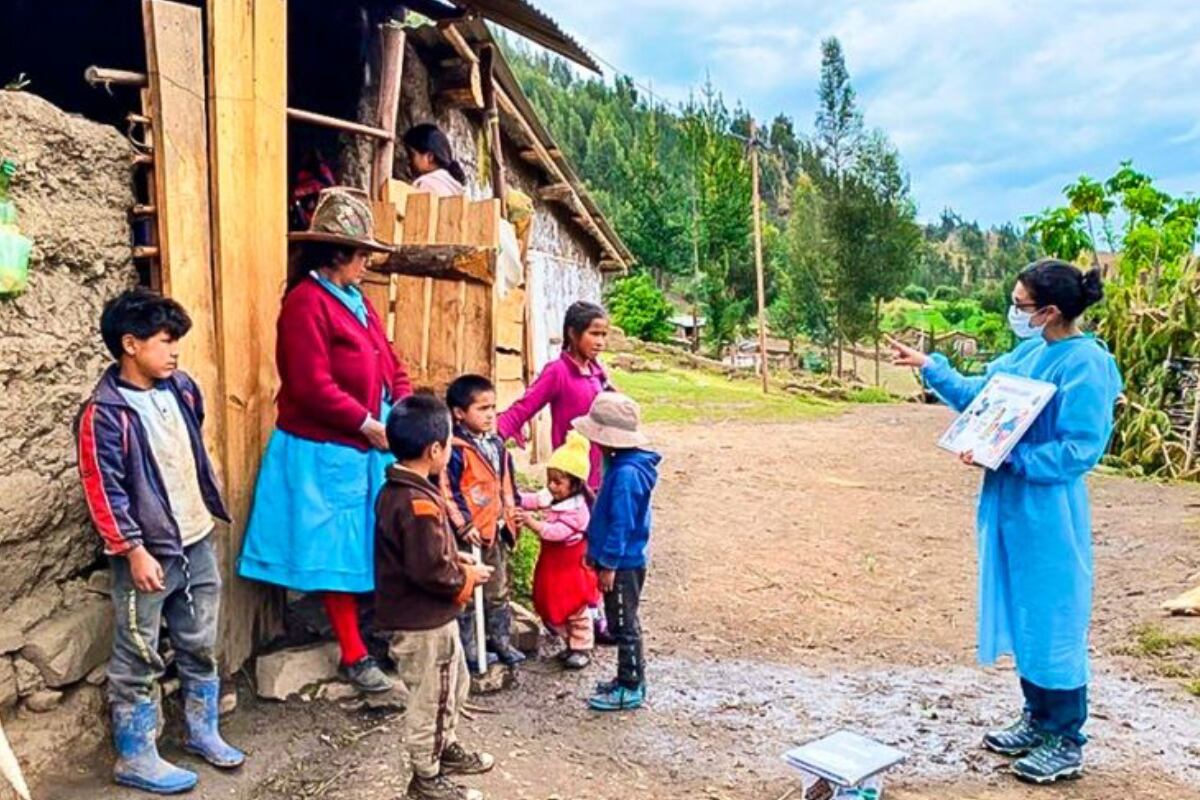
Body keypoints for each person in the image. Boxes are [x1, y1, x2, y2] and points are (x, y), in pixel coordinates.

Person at [891, 258, 1122, 784]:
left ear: (1050, 311)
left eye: (1020, 305)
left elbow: (1080, 449)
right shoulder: (1031, 351)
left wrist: (1013, 459)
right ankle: (1037, 717)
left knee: (1053, 616)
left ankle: (1065, 736)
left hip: (1049, 510)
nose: (1013, 312)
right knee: (1023, 611)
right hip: (1011, 503)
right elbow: (982, 396)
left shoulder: (1084, 364)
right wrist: (931, 366)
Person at [238, 187, 411, 694]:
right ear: (337, 253)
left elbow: (389, 361)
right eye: (362, 255)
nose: (367, 264)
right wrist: (365, 423)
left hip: (370, 441)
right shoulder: (305, 304)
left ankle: (376, 633)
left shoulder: (357, 302)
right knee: (338, 551)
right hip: (328, 446)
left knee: (371, 542)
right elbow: (311, 386)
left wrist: (401, 408)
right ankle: (353, 654)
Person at [76, 289, 243, 794]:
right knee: (138, 653)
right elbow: (102, 487)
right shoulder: (103, 413)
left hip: (195, 539)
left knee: (198, 639)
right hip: (147, 554)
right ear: (130, 344)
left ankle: (201, 730)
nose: (175, 352)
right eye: (166, 341)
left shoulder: (182, 390)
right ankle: (135, 754)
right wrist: (132, 548)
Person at [375, 393, 497, 800]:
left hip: (425, 618)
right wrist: (466, 574)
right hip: (423, 621)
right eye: (449, 442)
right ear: (435, 450)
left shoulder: (400, 489)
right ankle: (425, 779)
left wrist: (452, 553)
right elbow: (429, 570)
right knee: (432, 699)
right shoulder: (418, 503)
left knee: (453, 684)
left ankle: (444, 750)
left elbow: (424, 550)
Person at [575, 393, 661, 712]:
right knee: (618, 619)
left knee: (624, 624)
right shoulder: (620, 464)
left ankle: (631, 685)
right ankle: (626, 678)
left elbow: (621, 523)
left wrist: (608, 562)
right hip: (618, 560)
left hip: (623, 564)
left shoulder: (626, 474)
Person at [441, 375, 525, 671]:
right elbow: (448, 491)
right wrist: (463, 524)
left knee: (498, 589)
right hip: (470, 536)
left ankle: (501, 641)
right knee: (467, 592)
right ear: (459, 412)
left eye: (493, 407)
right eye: (482, 408)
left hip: (496, 530)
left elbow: (506, 484)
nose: (490, 414)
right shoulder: (455, 449)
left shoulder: (497, 444)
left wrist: (513, 516)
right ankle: (471, 648)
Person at [498, 300, 612, 493]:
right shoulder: (558, 372)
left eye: (603, 335)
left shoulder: (596, 371)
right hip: (572, 477)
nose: (600, 342)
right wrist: (488, 437)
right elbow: (524, 407)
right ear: (573, 333)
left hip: (600, 471)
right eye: (594, 334)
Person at [515, 431, 600, 670]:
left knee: (575, 606)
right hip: (554, 565)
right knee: (551, 599)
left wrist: (531, 522)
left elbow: (554, 533)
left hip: (571, 566)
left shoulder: (577, 510)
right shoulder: (555, 494)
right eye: (549, 480)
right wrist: (514, 497)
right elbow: (535, 500)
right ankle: (569, 642)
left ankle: (581, 646)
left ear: (574, 483)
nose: (551, 486)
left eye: (557, 482)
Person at [404, 123, 467, 197]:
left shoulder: (426, 184)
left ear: (429, 157)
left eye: (412, 155)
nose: (409, 161)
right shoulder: (454, 188)